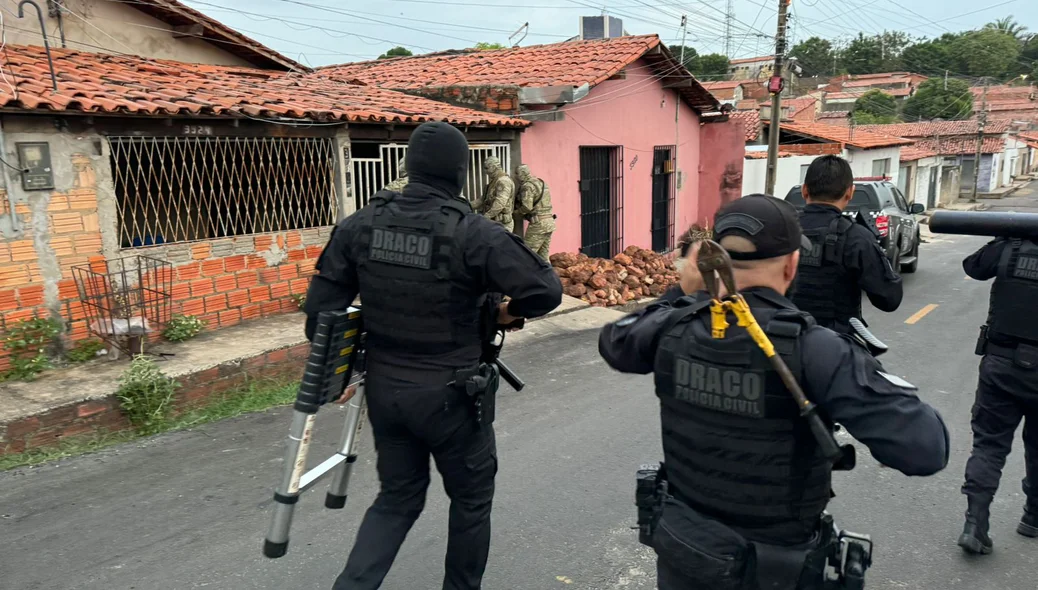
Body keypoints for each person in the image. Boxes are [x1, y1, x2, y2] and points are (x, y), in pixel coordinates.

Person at [598, 195, 949, 589]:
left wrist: (687, 292)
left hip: (688, 555)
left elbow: (615, 341)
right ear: (792, 263)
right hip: (774, 569)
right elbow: (926, 448)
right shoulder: (816, 349)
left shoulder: (672, 325)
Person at [304, 121, 563, 590]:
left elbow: (321, 312)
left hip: (386, 391)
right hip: (453, 396)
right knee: (470, 501)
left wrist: (343, 371)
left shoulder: (360, 224)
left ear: (410, 168)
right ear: (461, 174)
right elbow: (545, 291)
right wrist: (507, 311)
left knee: (397, 498)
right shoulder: (473, 232)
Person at [957, 236, 1038, 555]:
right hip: (1006, 364)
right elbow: (971, 268)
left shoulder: (1011, 248)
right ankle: (1033, 517)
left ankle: (975, 524)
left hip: (1002, 366)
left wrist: (1006, 237)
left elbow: (975, 265)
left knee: (989, 446)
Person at [793, 155, 903, 335]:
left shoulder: (779, 229)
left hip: (778, 345)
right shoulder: (856, 237)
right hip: (835, 348)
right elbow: (889, 299)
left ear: (804, 191)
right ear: (850, 193)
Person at [513, 164, 556, 260]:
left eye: (517, 173)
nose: (515, 176)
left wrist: (515, 213)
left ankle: (523, 275)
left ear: (523, 173)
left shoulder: (527, 186)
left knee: (526, 255)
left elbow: (527, 207)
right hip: (549, 222)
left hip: (538, 225)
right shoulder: (541, 183)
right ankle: (548, 275)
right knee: (543, 257)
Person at [474, 156, 515, 233]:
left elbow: (500, 203)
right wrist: (467, 205)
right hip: (494, 223)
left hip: (502, 224)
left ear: (495, 167)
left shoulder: (503, 181)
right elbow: (482, 200)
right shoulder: (494, 182)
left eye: (487, 168)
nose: (485, 171)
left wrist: (486, 216)